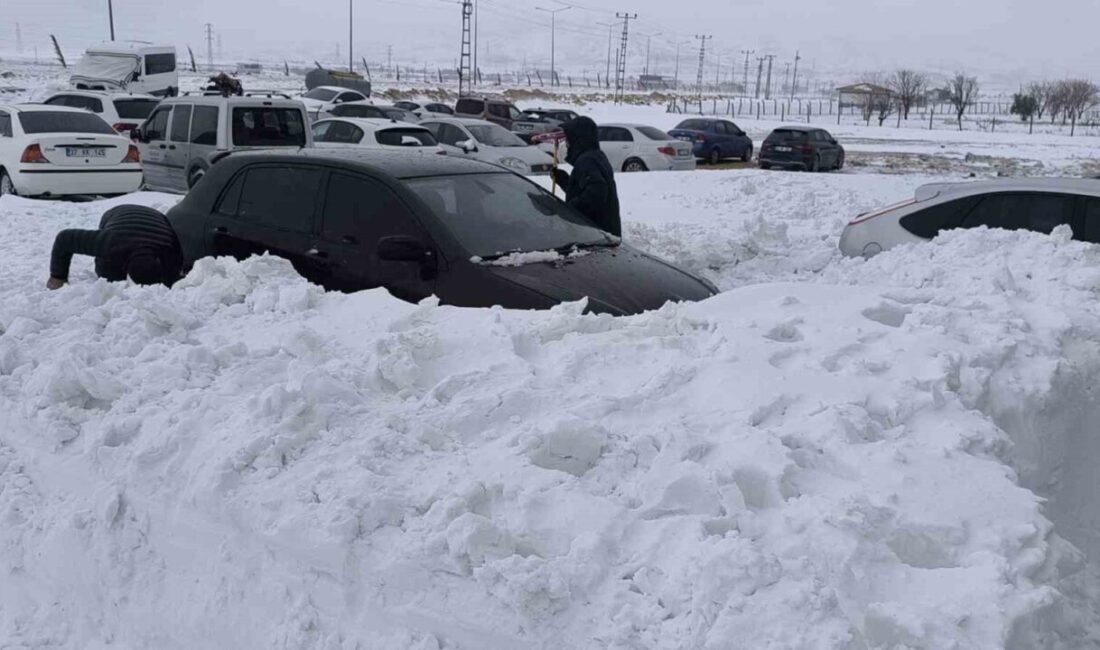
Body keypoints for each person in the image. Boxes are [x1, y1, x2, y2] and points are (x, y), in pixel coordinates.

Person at [46, 205, 184, 289]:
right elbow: (64, 238)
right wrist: (58, 277)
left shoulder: (169, 249)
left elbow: (177, 272)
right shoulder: (109, 242)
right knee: (107, 273)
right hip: (117, 214)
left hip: (157, 218)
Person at [551, 116, 622, 237]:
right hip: (604, 231)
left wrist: (570, 209)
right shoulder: (595, 156)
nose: (566, 144)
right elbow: (585, 189)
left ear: (578, 139)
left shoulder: (587, 161)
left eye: (568, 139)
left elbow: (597, 192)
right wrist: (563, 180)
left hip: (596, 233)